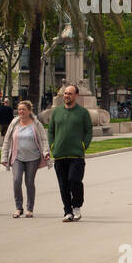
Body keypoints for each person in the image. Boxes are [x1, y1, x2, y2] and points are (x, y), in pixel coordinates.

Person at [48, 83, 94, 222]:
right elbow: (51, 130)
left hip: (76, 155)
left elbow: (89, 130)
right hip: (60, 154)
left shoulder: (83, 112)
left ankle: (77, 206)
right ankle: (67, 211)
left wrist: (83, 145)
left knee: (74, 180)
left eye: (70, 93)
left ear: (76, 96)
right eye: (65, 93)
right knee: (63, 185)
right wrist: (53, 145)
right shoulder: (56, 112)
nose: (66, 96)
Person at [1, 99, 50, 218]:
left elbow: (44, 139)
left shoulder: (36, 124)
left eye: (23, 109)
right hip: (17, 157)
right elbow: (7, 140)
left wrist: (46, 152)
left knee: (29, 182)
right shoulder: (14, 123)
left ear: (29, 111)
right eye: (19, 109)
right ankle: (18, 208)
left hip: (33, 157)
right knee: (17, 180)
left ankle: (29, 208)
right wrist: (4, 156)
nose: (21, 111)